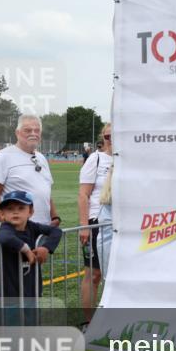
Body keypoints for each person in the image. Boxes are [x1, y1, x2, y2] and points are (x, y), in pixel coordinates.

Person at [0, 114, 59, 228]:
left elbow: (46, 192)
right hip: (17, 231)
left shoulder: (41, 158)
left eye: (37, 130)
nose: (33, 134)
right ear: (17, 133)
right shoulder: (3, 156)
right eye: (28, 130)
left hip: (43, 228)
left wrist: (54, 217)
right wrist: (9, 224)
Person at [0, 190, 62, 303]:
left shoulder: (32, 226)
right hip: (10, 295)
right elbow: (5, 238)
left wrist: (46, 248)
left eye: (21, 208)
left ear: (30, 212)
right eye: (10, 209)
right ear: (2, 214)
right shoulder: (6, 228)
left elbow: (56, 231)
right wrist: (27, 250)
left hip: (32, 289)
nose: (15, 212)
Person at [78, 124, 113, 321]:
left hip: (120, 224)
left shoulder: (128, 160)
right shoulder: (96, 159)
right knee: (94, 274)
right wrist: (84, 226)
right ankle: (88, 321)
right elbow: (83, 194)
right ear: (103, 138)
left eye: (115, 135)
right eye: (107, 136)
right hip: (97, 222)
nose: (111, 139)